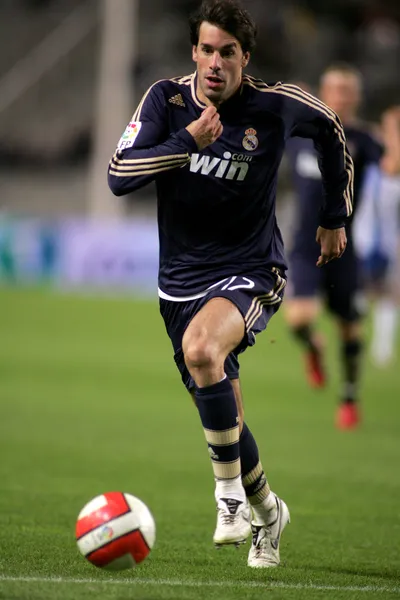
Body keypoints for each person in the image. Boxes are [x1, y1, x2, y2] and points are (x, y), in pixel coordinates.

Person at [108, 0, 352, 568]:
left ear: (246, 57)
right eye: (206, 50)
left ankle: (228, 500)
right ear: (193, 51)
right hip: (178, 284)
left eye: (227, 53)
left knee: (201, 350)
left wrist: (335, 216)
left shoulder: (275, 106)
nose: (214, 63)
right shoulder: (165, 101)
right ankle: (269, 512)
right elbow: (120, 175)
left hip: (252, 269)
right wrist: (187, 141)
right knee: (223, 410)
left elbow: (332, 131)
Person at [283, 64, 382, 430]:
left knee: (350, 327)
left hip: (343, 248)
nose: (340, 95)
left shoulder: (363, 140)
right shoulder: (299, 132)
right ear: (323, 92)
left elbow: (390, 166)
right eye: (334, 88)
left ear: (355, 96)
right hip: (305, 248)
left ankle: (350, 396)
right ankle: (313, 347)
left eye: (346, 89)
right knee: (298, 319)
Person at [354, 105, 400, 367]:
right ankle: (357, 337)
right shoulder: (369, 163)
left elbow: (393, 160)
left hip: (384, 241)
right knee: (361, 293)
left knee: (386, 295)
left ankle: (382, 348)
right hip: (360, 237)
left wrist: (390, 123)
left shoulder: (391, 169)